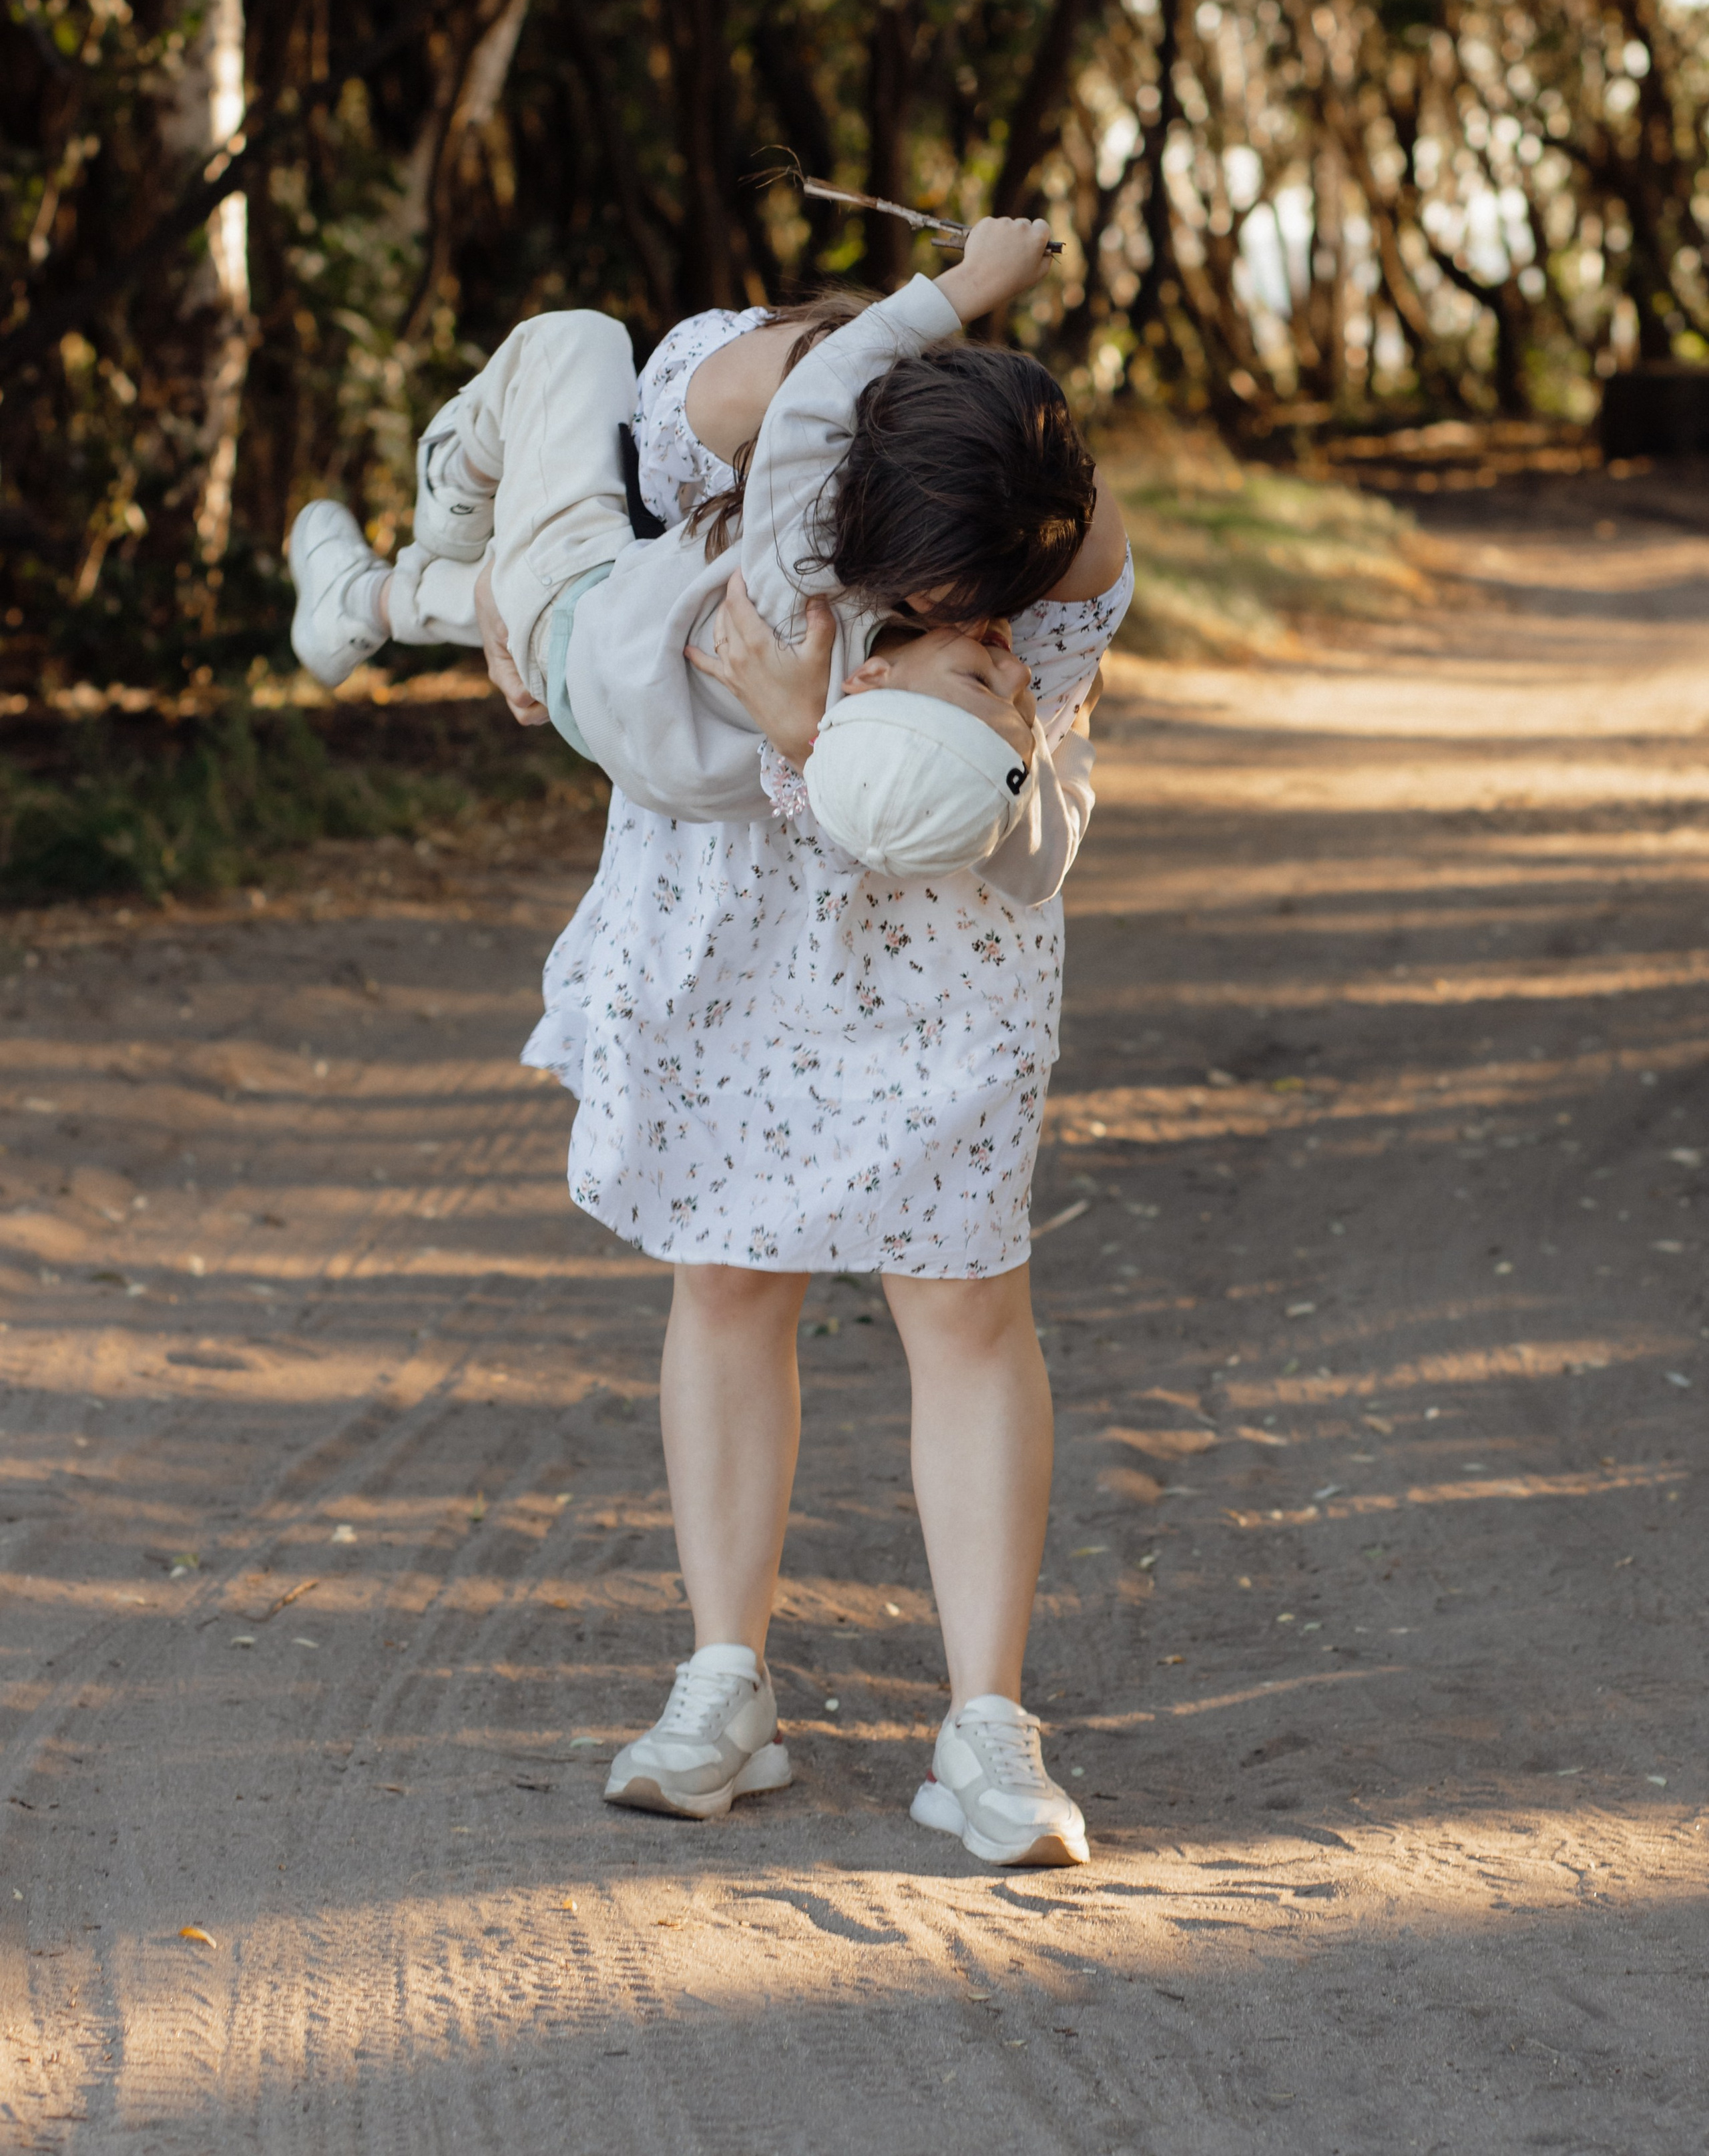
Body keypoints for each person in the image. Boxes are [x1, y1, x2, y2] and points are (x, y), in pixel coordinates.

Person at [505, 222, 1132, 1868]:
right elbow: (674, 480)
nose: (955, 617)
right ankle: (725, 1684)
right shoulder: (742, 393)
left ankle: (986, 1727)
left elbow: (1016, 822)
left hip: (940, 961)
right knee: (722, 1277)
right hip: (724, 930)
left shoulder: (1039, 528)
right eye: (923, 594)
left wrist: (803, 731)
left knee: (966, 1312)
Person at [286, 225, 1102, 898]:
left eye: (980, 685)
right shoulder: (901, 788)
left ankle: (450, 504)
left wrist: (966, 287)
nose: (1015, 672)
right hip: (624, 709)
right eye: (1023, 713)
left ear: (872, 682)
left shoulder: (804, 587)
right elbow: (1035, 867)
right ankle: (362, 606)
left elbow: (814, 398)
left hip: (585, 605)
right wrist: (1058, 749)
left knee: (573, 341)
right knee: (544, 596)